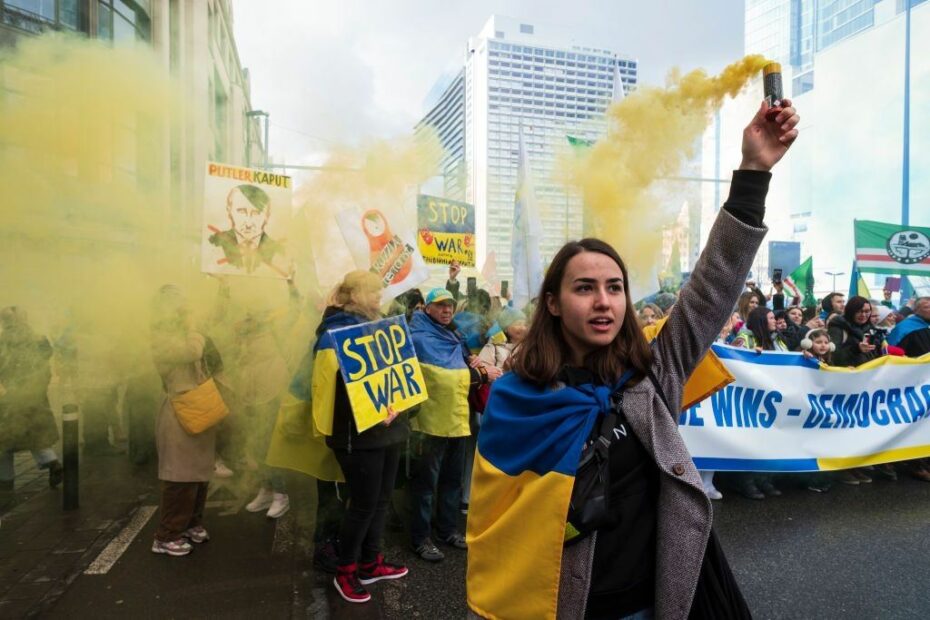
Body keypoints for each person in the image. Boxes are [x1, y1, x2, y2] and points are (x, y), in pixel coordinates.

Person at [467, 98, 799, 619]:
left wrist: (754, 169)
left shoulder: (649, 375)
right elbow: (499, 528)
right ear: (552, 303)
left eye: (614, 287)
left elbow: (713, 285)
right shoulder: (517, 400)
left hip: (660, 604)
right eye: (584, 288)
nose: (603, 301)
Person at [314, 270, 410, 604]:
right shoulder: (334, 332)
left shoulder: (383, 326)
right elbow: (333, 388)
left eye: (379, 290)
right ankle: (346, 571)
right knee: (363, 505)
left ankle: (370, 562)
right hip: (357, 435)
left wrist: (399, 406)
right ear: (353, 295)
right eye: (372, 291)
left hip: (388, 429)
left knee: (381, 501)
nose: (379, 296)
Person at [408, 288, 499, 563]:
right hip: (430, 423)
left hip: (457, 420)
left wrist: (470, 359)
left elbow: (456, 365)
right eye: (440, 305)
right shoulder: (420, 338)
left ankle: (447, 529)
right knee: (425, 485)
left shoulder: (453, 335)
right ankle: (420, 538)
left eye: (449, 305)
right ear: (428, 309)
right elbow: (444, 376)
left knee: (451, 481)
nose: (447, 310)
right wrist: (481, 374)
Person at [150, 286, 226, 557]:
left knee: (200, 473)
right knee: (180, 476)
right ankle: (167, 534)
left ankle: (192, 523)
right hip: (179, 412)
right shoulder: (160, 338)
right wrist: (194, 328)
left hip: (198, 407)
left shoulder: (184, 332)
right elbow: (192, 351)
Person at [0, 306, 63, 499]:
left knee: (4, 440)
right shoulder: (38, 338)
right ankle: (52, 462)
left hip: (11, 396)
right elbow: (46, 357)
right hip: (34, 393)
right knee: (34, 432)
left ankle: (5, 482)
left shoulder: (4, 340)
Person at [208, 184, 286, 275]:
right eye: (241, 212)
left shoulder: (278, 251)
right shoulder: (213, 243)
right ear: (229, 211)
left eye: (256, 213)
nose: (248, 224)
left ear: (267, 216)